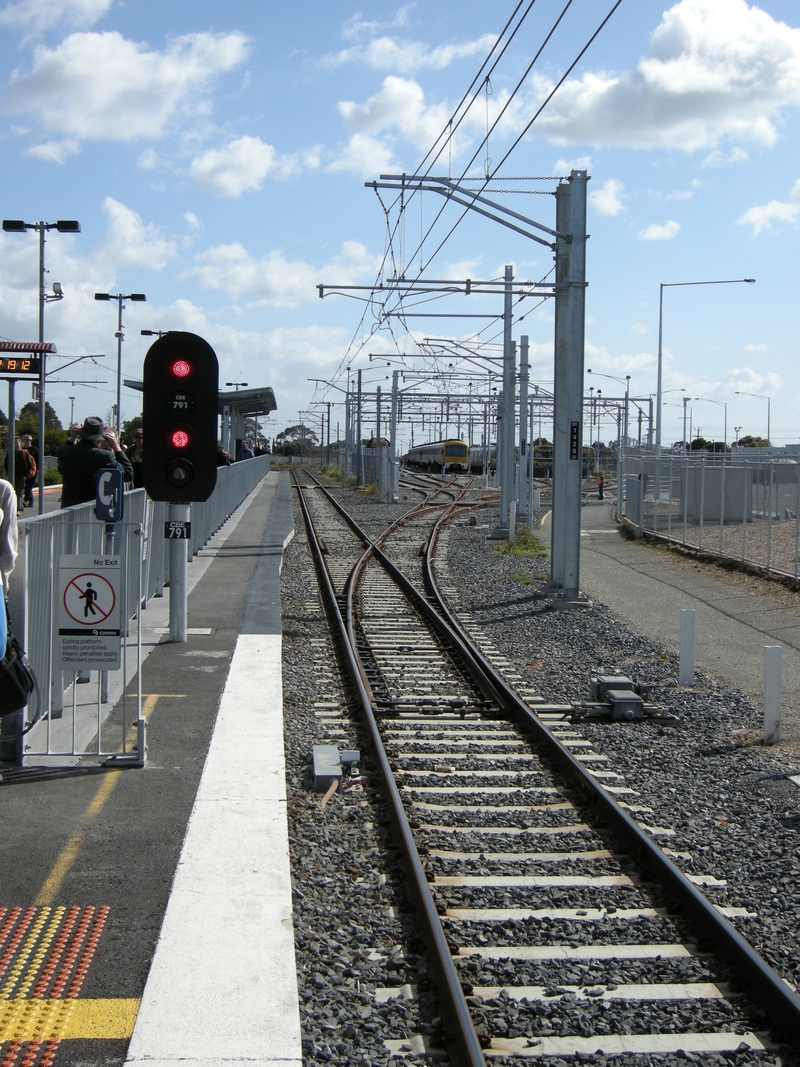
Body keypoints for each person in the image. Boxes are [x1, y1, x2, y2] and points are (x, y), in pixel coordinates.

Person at [57, 417, 133, 508]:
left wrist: (72, 438)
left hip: (67, 508)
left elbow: (61, 467)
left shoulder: (64, 451)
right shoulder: (103, 456)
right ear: (98, 440)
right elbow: (128, 474)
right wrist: (117, 447)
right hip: (90, 510)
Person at [4, 439, 35, 515]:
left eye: (17, 443)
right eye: (15, 443)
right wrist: (9, 472)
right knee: (12, 491)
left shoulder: (24, 453)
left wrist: (25, 473)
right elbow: (5, 464)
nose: (16, 445)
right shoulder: (10, 453)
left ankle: (19, 509)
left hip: (21, 476)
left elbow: (30, 465)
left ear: (20, 444)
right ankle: (17, 506)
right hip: (13, 475)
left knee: (19, 492)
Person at [20, 434, 39, 508]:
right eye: (27, 440)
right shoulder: (22, 450)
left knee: (29, 486)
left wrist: (37, 469)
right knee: (27, 486)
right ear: (24, 440)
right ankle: (31, 500)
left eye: (30, 440)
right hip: (25, 471)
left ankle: (26, 500)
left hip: (33, 470)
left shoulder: (34, 449)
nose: (28, 441)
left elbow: (38, 459)